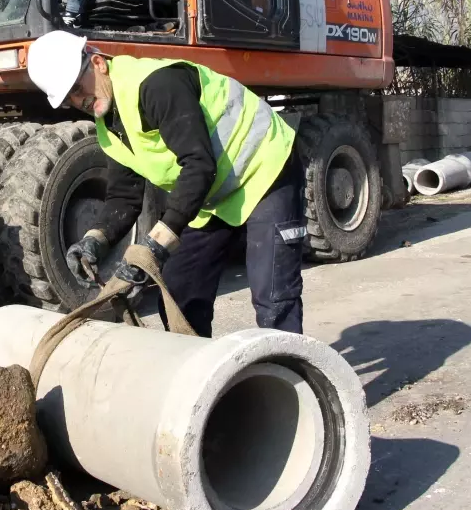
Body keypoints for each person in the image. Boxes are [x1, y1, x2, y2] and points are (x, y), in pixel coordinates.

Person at [25, 30, 306, 337]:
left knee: (273, 297)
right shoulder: (109, 124)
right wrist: (96, 239)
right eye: (70, 99)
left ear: (97, 63)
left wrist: (157, 244)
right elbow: (124, 196)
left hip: (264, 169)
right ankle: (204, 379)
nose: (80, 100)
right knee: (180, 296)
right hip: (212, 195)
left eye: (79, 88)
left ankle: (290, 379)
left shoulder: (156, 85)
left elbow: (199, 166)